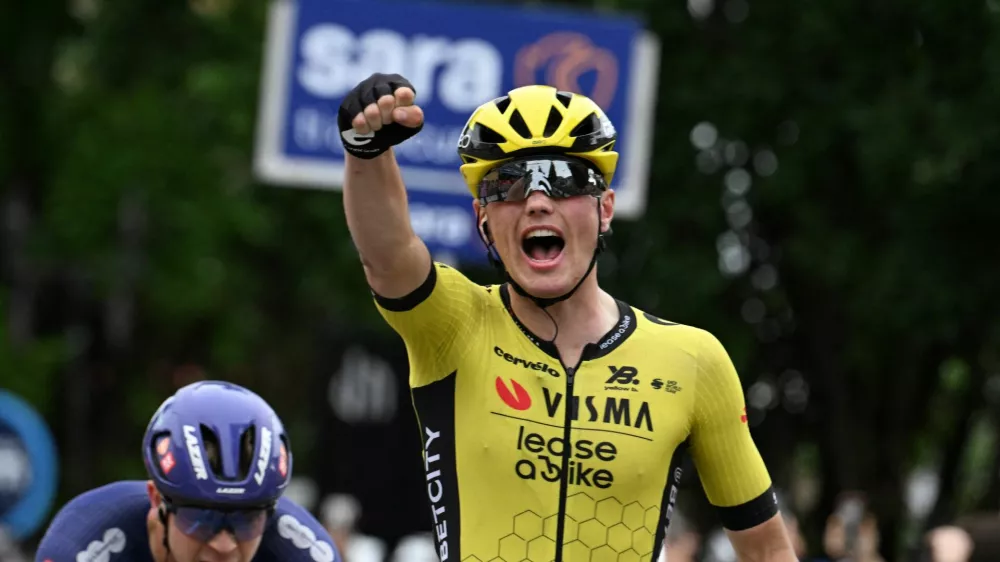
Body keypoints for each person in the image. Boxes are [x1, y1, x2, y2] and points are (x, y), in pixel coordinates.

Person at [336, 73, 798, 562]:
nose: (537, 201)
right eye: (508, 184)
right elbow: (387, 255)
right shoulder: (454, 324)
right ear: (482, 219)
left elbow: (768, 551)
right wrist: (367, 152)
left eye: (566, 180)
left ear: (605, 210)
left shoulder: (693, 360)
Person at [34, 381, 340, 562]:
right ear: (157, 500)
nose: (224, 546)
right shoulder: (84, 542)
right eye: (202, 519)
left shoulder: (303, 551)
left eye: (247, 520)